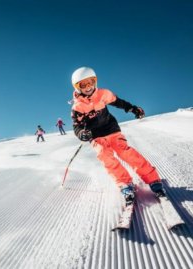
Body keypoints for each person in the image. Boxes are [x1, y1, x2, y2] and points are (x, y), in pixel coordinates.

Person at [70, 66, 166, 205]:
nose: (88, 87)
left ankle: (153, 180)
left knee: (125, 152)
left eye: (91, 82)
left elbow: (118, 102)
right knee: (105, 156)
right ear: (77, 87)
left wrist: (133, 108)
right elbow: (76, 126)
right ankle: (125, 184)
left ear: (95, 81)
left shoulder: (103, 94)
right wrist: (81, 133)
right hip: (96, 136)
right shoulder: (77, 107)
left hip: (111, 129)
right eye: (83, 84)